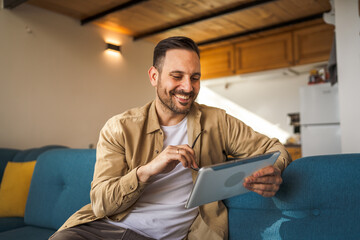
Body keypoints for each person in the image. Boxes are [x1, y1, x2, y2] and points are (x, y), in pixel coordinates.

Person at [50, 36, 291, 240]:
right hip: (107, 228)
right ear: (154, 76)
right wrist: (148, 171)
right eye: (177, 76)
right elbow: (101, 203)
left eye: (195, 78)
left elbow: (275, 148)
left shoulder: (218, 122)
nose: (188, 87)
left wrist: (275, 170)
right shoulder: (119, 128)